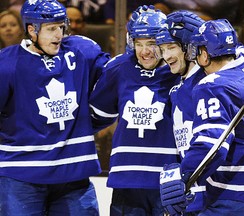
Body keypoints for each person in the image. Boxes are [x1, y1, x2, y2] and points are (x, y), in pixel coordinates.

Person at [159, 19, 244, 215]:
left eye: (197, 50)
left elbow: (211, 146)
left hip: (239, 193)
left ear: (205, 55)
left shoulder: (212, 86)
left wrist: (182, 176)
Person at [0, 0, 110, 215]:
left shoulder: (81, 52)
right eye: (51, 29)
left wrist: (91, 122)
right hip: (22, 175)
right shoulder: (6, 64)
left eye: (61, 27)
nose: (59, 35)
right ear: (32, 30)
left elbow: (114, 85)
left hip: (74, 173)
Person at [89, 7, 181, 215]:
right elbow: (97, 114)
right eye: (139, 44)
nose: (144, 51)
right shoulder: (119, 67)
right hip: (127, 178)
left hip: (168, 180)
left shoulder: (179, 69)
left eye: (151, 44)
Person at [155, 11, 207, 216]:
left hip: (212, 195)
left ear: (190, 47)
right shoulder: (177, 87)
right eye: (163, 49)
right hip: (192, 194)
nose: (166, 56)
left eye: (171, 47)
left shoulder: (208, 84)